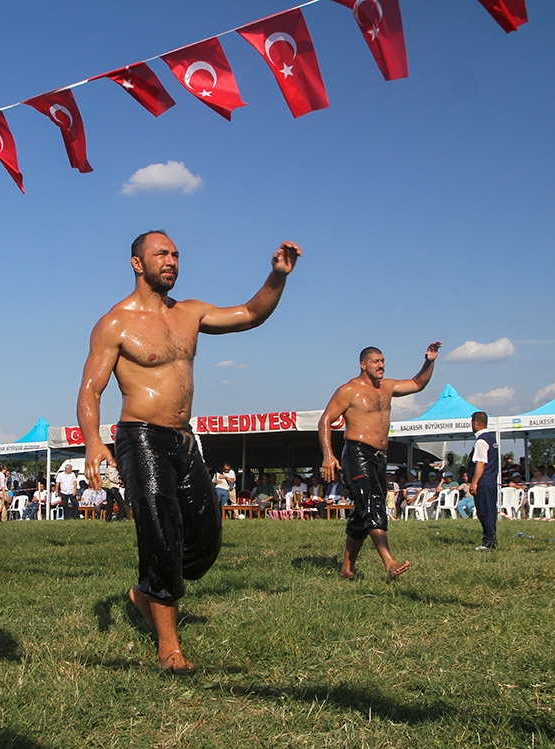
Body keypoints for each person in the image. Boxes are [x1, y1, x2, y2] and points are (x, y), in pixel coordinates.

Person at [77, 230, 301, 673]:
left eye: (176, 254)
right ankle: (169, 646)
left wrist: (277, 276)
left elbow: (252, 314)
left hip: (183, 439)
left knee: (204, 540)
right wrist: (93, 440)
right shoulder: (114, 323)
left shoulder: (190, 313)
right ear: (137, 264)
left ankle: (147, 591)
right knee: (161, 532)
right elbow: (90, 389)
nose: (172, 261)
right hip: (139, 437)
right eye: (161, 254)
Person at [319, 342, 442, 580]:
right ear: (363, 365)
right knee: (374, 504)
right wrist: (328, 454)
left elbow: (417, 384)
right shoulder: (349, 390)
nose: (381, 365)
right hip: (356, 453)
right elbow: (325, 420)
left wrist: (429, 361)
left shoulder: (386, 387)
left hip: (379, 457)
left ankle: (346, 568)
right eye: (376, 361)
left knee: (361, 511)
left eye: (383, 361)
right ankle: (389, 563)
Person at [468, 411, 499, 550]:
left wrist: (474, 482)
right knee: (490, 509)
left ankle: (489, 540)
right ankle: (490, 538)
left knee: (484, 511)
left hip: (483, 481)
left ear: (475, 423)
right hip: (491, 480)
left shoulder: (481, 441)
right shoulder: (492, 439)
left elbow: (480, 463)